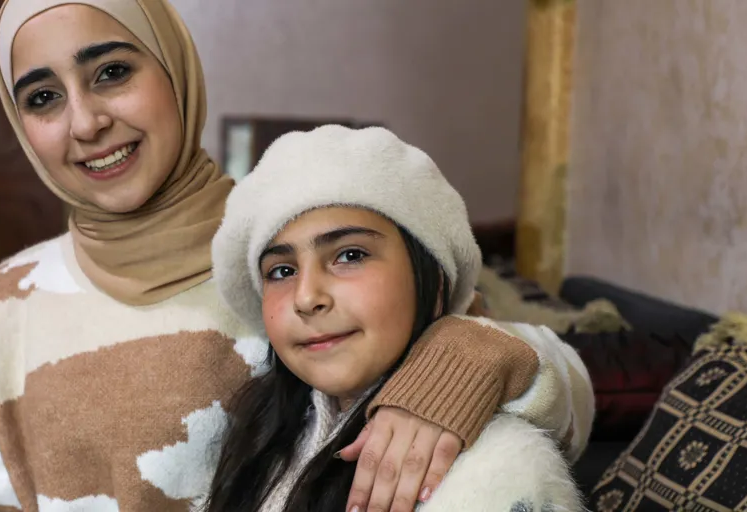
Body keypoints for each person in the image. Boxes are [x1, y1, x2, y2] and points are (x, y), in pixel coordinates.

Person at [0, 1, 594, 510]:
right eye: (43, 97)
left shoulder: (285, 244)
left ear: (174, 67)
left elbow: (535, 381)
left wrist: (472, 357)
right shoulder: (5, 302)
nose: (85, 123)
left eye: (112, 72)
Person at [205, 125, 583, 511]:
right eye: (282, 271)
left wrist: (468, 360)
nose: (306, 298)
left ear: (433, 281)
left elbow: (565, 376)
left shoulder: (494, 470)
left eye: (350, 255)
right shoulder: (260, 438)